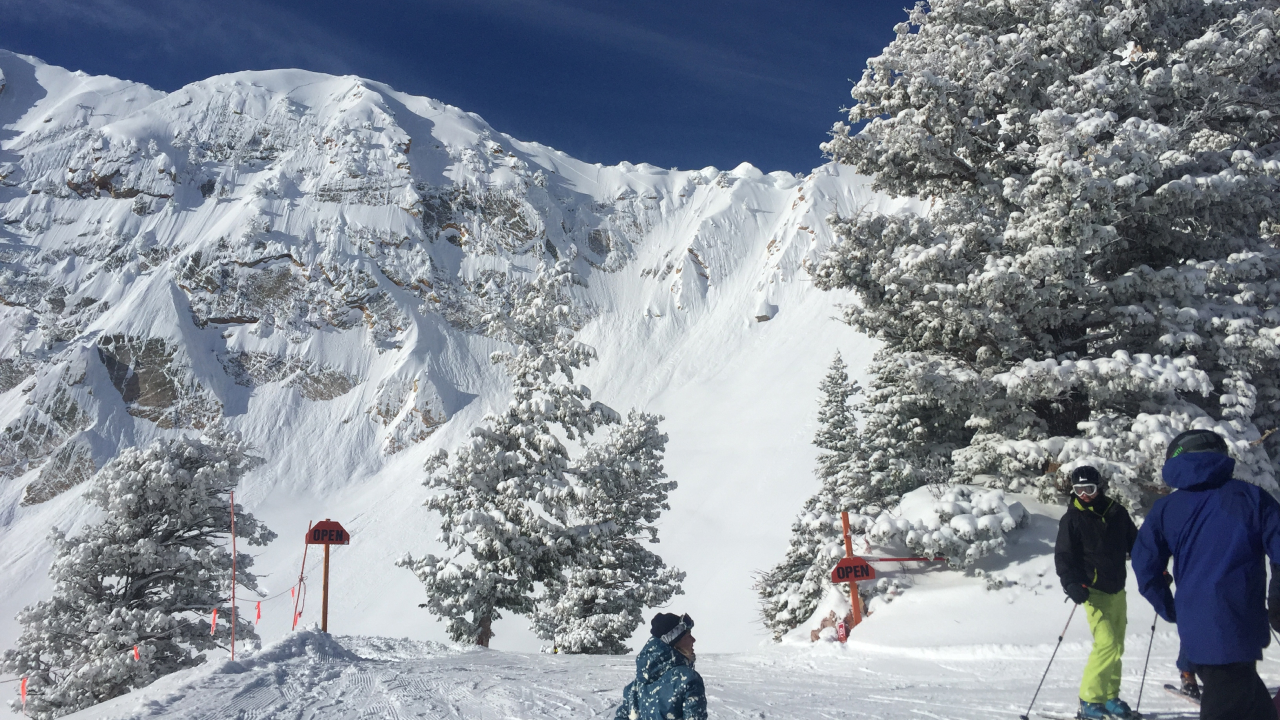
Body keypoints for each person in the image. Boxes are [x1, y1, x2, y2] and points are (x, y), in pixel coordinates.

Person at [1132, 429, 1280, 720]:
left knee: (1253, 704)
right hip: (1240, 625)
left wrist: (1170, 607)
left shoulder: (1166, 509)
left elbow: (1145, 566)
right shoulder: (1253, 498)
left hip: (1198, 630)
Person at [1054, 465, 1140, 720]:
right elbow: (1064, 556)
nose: (1084, 495)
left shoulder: (1116, 512)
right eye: (1079, 490)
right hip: (1092, 591)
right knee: (1107, 643)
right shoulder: (1072, 519)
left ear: (1099, 487)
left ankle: (1109, 697)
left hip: (1117, 589)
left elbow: (1137, 545)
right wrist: (1071, 583)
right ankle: (1089, 700)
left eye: (1089, 489)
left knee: (1117, 647)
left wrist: (1157, 570)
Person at [614, 613, 707, 720]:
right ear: (675, 640)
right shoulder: (688, 680)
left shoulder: (636, 686)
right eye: (688, 635)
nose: (693, 640)